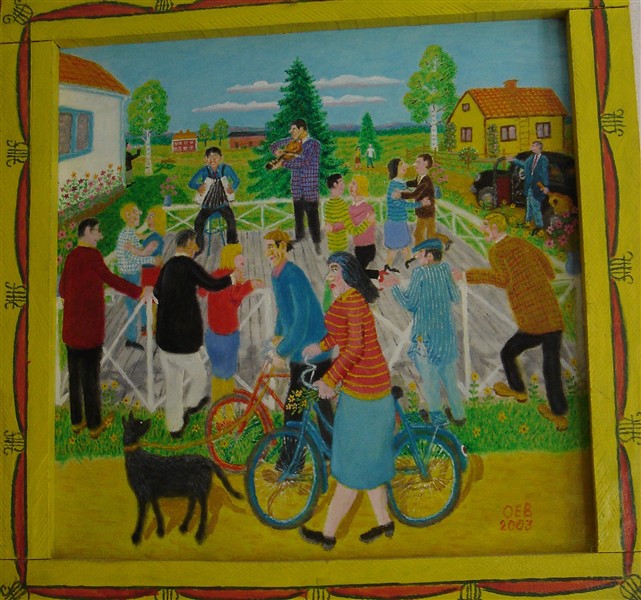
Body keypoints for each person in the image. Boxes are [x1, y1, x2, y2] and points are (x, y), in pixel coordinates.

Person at [300, 251, 396, 550]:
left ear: (348, 274)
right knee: (367, 465)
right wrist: (320, 346)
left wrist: (330, 380)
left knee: (351, 470)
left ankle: (328, 535)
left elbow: (354, 348)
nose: (329, 276)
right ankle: (385, 523)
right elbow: (339, 335)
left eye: (334, 270)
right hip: (363, 390)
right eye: (329, 270)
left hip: (366, 394)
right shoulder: (345, 301)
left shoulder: (353, 302)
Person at [456, 212, 568, 431]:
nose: (483, 230)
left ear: (495, 228)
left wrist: (469, 276)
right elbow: (546, 265)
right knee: (551, 363)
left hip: (533, 319)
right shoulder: (519, 242)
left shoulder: (497, 251)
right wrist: (540, 278)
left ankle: (518, 389)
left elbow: (503, 279)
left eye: (486, 226)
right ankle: (558, 413)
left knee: (508, 352)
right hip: (550, 312)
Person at [58, 218, 153, 438]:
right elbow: (111, 279)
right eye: (97, 232)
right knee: (91, 379)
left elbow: (62, 289)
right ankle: (94, 425)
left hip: (71, 329)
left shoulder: (71, 257)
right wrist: (139, 291)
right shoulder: (92, 256)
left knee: (74, 377)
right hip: (89, 330)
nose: (100, 236)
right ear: (87, 232)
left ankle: (76, 422)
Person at [154, 229, 232, 438]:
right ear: (188, 243)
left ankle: (174, 427)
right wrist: (232, 278)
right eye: (195, 243)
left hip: (165, 339)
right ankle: (191, 405)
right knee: (200, 376)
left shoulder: (168, 266)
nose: (197, 247)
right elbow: (212, 284)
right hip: (182, 340)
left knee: (173, 386)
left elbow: (156, 293)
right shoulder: (188, 265)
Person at [263, 229, 333, 462]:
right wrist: (277, 335)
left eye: (272, 247)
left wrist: (282, 351)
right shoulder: (277, 274)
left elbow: (301, 320)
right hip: (304, 350)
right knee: (321, 407)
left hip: (311, 351)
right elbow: (284, 310)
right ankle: (332, 455)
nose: (268, 252)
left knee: (294, 408)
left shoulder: (293, 275)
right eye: (266, 248)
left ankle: (291, 462)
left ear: (283, 247)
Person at [382, 238, 465, 426]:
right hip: (446, 336)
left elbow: (410, 303)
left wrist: (395, 287)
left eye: (420, 254)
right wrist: (454, 281)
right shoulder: (445, 269)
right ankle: (459, 415)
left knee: (430, 379)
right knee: (449, 378)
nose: (417, 257)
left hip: (425, 336)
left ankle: (437, 417)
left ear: (430, 255)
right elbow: (455, 296)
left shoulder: (419, 273)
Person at [199, 243, 265, 401]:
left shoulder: (216, 274)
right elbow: (234, 296)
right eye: (238, 255)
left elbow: (202, 291)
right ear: (230, 259)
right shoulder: (229, 277)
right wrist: (250, 284)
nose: (242, 258)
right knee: (227, 375)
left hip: (212, 335)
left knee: (218, 374)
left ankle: (217, 407)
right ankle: (226, 408)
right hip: (227, 335)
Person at [269, 119, 322, 254]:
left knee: (312, 216)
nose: (290, 131)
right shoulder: (292, 142)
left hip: (309, 186)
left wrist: (283, 163)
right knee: (298, 215)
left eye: (293, 129)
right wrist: (278, 152)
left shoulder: (314, 144)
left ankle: (316, 242)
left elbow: (304, 161)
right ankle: (299, 237)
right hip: (297, 186)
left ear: (302, 129)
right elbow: (273, 145)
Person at [115, 203, 159, 351]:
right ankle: (131, 338)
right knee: (133, 306)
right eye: (135, 213)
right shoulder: (126, 235)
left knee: (140, 302)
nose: (139, 214)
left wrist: (148, 236)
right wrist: (152, 260)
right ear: (128, 216)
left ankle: (145, 327)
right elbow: (134, 257)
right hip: (129, 276)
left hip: (132, 274)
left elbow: (138, 245)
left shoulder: (128, 233)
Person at [188, 146, 240, 253]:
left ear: (221, 158)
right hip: (208, 205)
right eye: (210, 157)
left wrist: (232, 188)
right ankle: (198, 247)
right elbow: (191, 183)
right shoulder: (204, 170)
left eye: (215, 156)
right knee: (198, 222)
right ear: (205, 159)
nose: (212, 160)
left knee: (231, 220)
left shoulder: (226, 169)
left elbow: (237, 181)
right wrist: (198, 186)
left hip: (223, 204)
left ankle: (232, 245)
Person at [401, 153, 451, 251]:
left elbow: (414, 194)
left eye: (418, 162)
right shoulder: (420, 177)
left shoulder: (426, 182)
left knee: (418, 234)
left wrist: (400, 195)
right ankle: (446, 240)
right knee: (431, 234)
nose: (415, 164)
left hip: (425, 212)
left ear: (425, 164)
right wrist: (405, 183)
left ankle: (419, 251)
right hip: (428, 211)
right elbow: (415, 183)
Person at [383, 158, 423, 273]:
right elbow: (400, 203)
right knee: (394, 247)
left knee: (404, 243)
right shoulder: (395, 185)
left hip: (399, 220)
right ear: (395, 169)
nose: (405, 165)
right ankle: (388, 266)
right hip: (395, 221)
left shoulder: (399, 183)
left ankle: (408, 260)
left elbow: (407, 190)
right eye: (401, 164)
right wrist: (418, 204)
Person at [323, 173, 373, 254]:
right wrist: (367, 222)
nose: (344, 185)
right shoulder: (341, 204)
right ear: (335, 184)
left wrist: (332, 228)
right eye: (341, 182)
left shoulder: (328, 205)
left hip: (333, 246)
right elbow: (353, 231)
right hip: (340, 247)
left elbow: (333, 227)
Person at [507, 140, 549, 235]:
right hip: (529, 186)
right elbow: (524, 165)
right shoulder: (531, 158)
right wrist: (514, 161)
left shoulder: (543, 159)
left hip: (537, 186)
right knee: (529, 205)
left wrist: (545, 186)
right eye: (532, 146)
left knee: (536, 207)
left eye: (534, 146)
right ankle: (527, 222)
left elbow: (545, 173)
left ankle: (539, 226)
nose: (532, 147)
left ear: (538, 147)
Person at [348, 175, 380, 279]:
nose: (350, 185)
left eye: (354, 183)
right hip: (358, 248)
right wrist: (334, 227)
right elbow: (346, 223)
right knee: (357, 273)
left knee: (356, 274)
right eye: (351, 183)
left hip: (368, 249)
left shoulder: (367, 208)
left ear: (361, 187)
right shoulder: (350, 208)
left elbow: (357, 229)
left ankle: (380, 275)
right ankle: (379, 275)